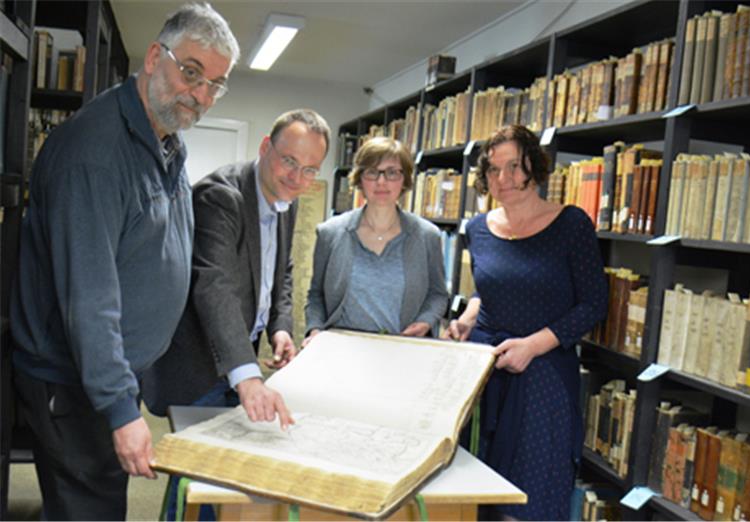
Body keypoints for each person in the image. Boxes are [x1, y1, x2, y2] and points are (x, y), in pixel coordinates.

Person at [10, 4, 238, 520]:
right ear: (155, 57)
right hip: (73, 382)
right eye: (192, 73)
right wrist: (118, 407)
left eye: (215, 85)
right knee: (90, 510)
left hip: (112, 374)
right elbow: (88, 297)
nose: (201, 96)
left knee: (95, 503)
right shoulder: (95, 154)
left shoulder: (165, 138)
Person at [442, 125, 607, 520]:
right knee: (471, 497)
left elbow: (594, 304)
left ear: (534, 166)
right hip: (485, 373)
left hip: (542, 377)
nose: (504, 178)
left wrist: (532, 346)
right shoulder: (478, 229)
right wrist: (468, 317)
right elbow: (491, 290)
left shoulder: (571, 224)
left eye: (514, 166)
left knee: (527, 503)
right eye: (494, 169)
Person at [142, 109, 329, 424]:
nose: (297, 178)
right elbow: (215, 286)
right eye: (289, 161)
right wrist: (247, 375)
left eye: (310, 170)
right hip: (199, 367)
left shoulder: (286, 198)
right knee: (198, 454)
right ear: (265, 146)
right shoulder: (219, 197)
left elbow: (281, 270)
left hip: (242, 357)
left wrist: (280, 327)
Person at [304, 137, 448, 341]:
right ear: (360, 178)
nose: (381, 182)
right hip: (341, 348)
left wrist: (426, 321)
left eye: (392, 172)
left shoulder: (427, 236)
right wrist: (315, 330)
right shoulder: (330, 233)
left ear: (404, 179)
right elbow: (316, 295)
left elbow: (437, 294)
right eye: (372, 172)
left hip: (401, 348)